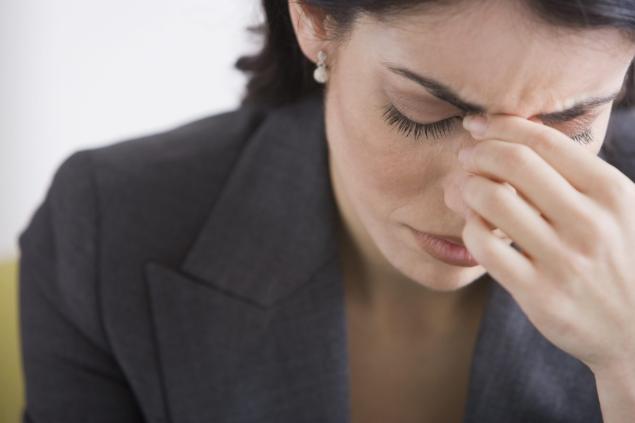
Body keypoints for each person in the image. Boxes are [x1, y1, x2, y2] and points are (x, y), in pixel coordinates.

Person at [17, 0, 635, 422]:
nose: (477, 200)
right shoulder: (108, 226)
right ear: (312, 21)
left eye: (568, 124)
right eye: (423, 110)